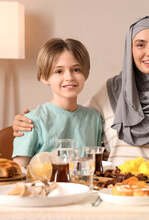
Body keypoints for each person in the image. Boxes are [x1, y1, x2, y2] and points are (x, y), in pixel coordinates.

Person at [13, 16, 149, 168]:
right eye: (140, 44)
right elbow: (73, 119)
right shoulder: (109, 92)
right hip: (113, 192)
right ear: (129, 50)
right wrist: (26, 122)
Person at [12, 38, 103, 167]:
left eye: (76, 70)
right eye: (59, 71)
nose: (69, 77)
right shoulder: (30, 121)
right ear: (44, 77)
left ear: (86, 74)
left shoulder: (94, 118)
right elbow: (19, 172)